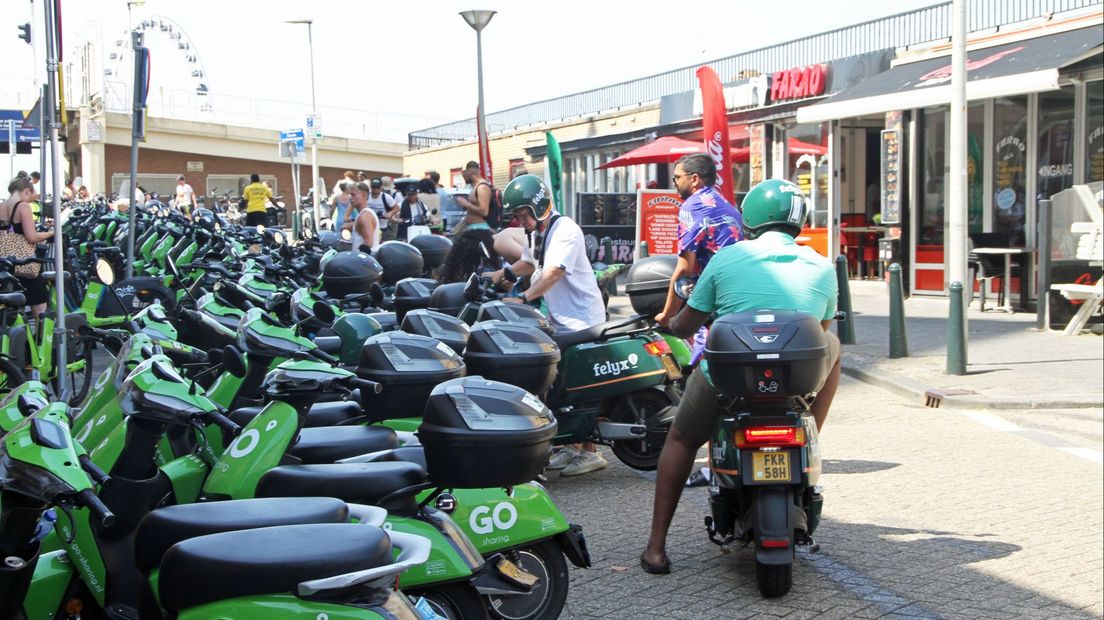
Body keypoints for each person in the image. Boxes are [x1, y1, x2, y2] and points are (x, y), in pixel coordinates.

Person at [640, 179, 841, 575]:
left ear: (749, 218)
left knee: (680, 438)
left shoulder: (726, 260)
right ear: (797, 219)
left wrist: (669, 321)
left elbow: (686, 325)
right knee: (834, 347)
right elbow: (821, 327)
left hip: (728, 383)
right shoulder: (822, 265)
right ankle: (810, 431)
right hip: (794, 384)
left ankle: (656, 549)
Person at [488, 174, 608, 477]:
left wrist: (524, 298)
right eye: (516, 216)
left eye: (523, 214)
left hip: (581, 319)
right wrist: (496, 278)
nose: (520, 220)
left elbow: (553, 272)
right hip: (561, 319)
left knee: (576, 386)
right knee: (560, 385)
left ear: (538, 207)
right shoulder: (538, 233)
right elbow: (529, 263)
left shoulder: (565, 230)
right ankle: (572, 446)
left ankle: (591, 452)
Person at [656, 153, 744, 365]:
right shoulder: (723, 202)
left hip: (714, 297)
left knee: (701, 367)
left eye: (677, 178)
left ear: (694, 179)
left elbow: (684, 269)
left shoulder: (693, 206)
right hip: (736, 292)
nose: (674, 183)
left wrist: (667, 315)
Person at [0, 176, 54, 319]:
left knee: (14, 305)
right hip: (23, 265)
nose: (30, 200)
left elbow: (9, 232)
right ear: (26, 191)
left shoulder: (1, 206)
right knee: (40, 303)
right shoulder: (22, 206)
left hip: (5, 264)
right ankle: (40, 338)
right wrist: (50, 233)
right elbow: (31, 236)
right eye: (30, 195)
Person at [454, 161, 492, 232]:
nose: (464, 177)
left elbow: (484, 212)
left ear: (469, 172)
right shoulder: (475, 186)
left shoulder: (482, 187)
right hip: (473, 228)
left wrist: (466, 204)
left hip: (480, 229)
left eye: (465, 174)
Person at [350, 181, 381, 253]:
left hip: (364, 261)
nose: (350, 198)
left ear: (364, 195)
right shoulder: (364, 214)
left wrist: (353, 256)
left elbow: (368, 243)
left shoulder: (365, 216)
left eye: (353, 195)